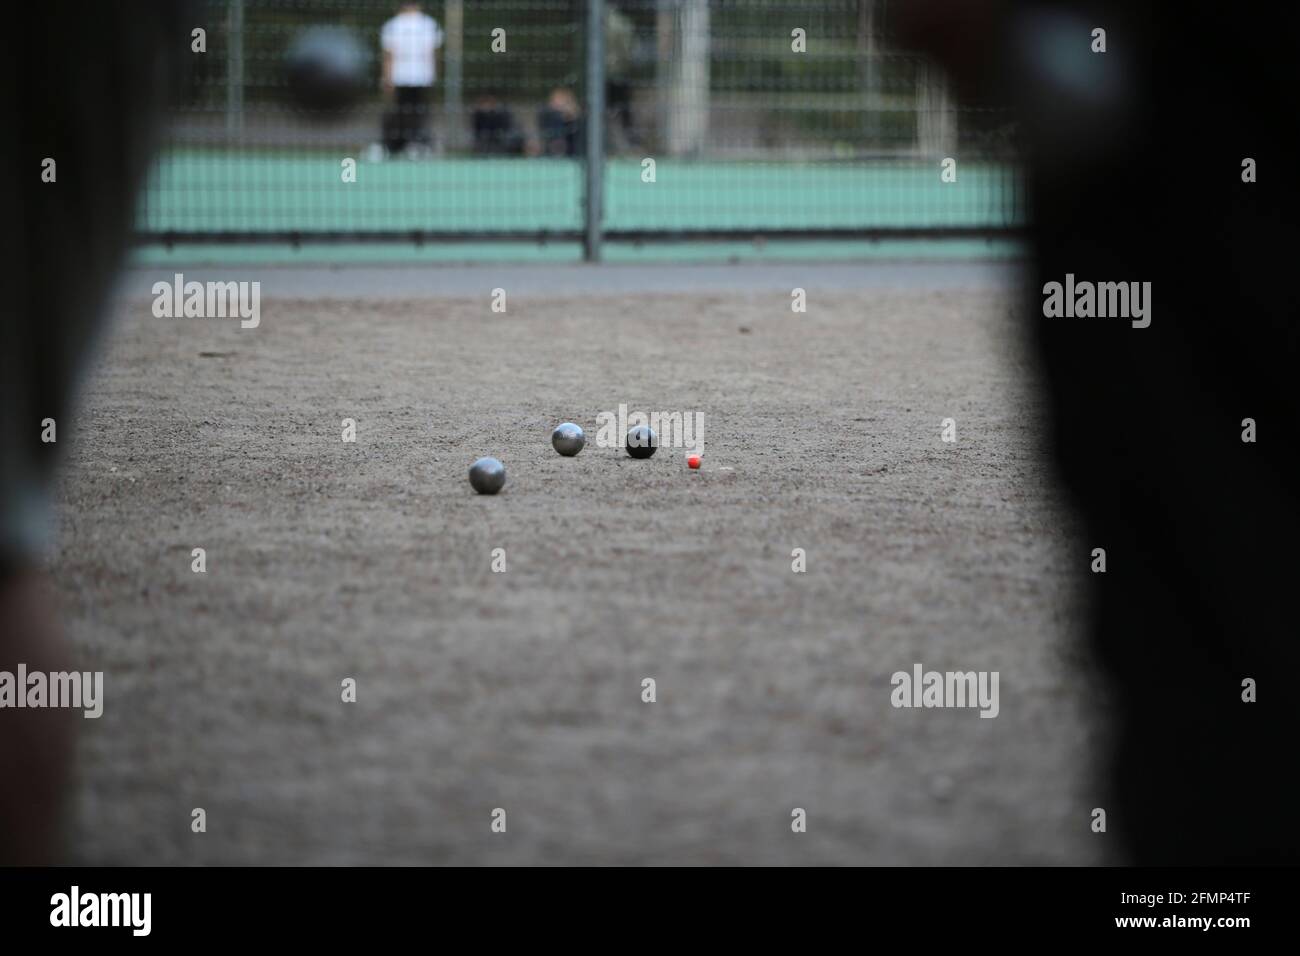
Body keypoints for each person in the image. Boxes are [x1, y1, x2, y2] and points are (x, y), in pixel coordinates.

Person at [380, 2, 443, 157]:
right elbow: (433, 54)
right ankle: (414, 145)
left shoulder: (392, 25)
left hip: (400, 77)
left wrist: (387, 78)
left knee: (401, 111)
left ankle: (404, 145)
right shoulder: (429, 23)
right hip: (421, 77)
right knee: (418, 112)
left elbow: (388, 56)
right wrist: (434, 75)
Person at [537, 88, 582, 157]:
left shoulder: (576, 121)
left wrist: (569, 117)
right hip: (551, 154)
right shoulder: (547, 116)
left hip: (572, 154)